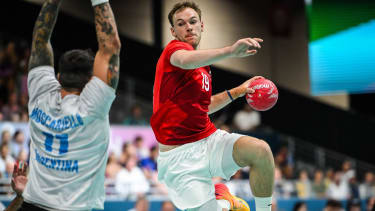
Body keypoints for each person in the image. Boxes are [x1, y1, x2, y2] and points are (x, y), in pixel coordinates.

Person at [151, 1, 275, 211]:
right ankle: (223, 199)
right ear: (173, 31)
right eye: (181, 24)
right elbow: (184, 60)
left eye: (193, 21)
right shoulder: (174, 51)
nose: (188, 27)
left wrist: (239, 91)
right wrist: (231, 51)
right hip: (179, 159)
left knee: (261, 151)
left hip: (208, 140)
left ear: (202, 25)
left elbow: (204, 106)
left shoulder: (203, 68)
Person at [21, 0, 121, 209]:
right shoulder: (93, 105)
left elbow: (40, 40)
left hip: (32, 205)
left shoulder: (41, 92)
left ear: (58, 76)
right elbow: (110, 47)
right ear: (90, 82)